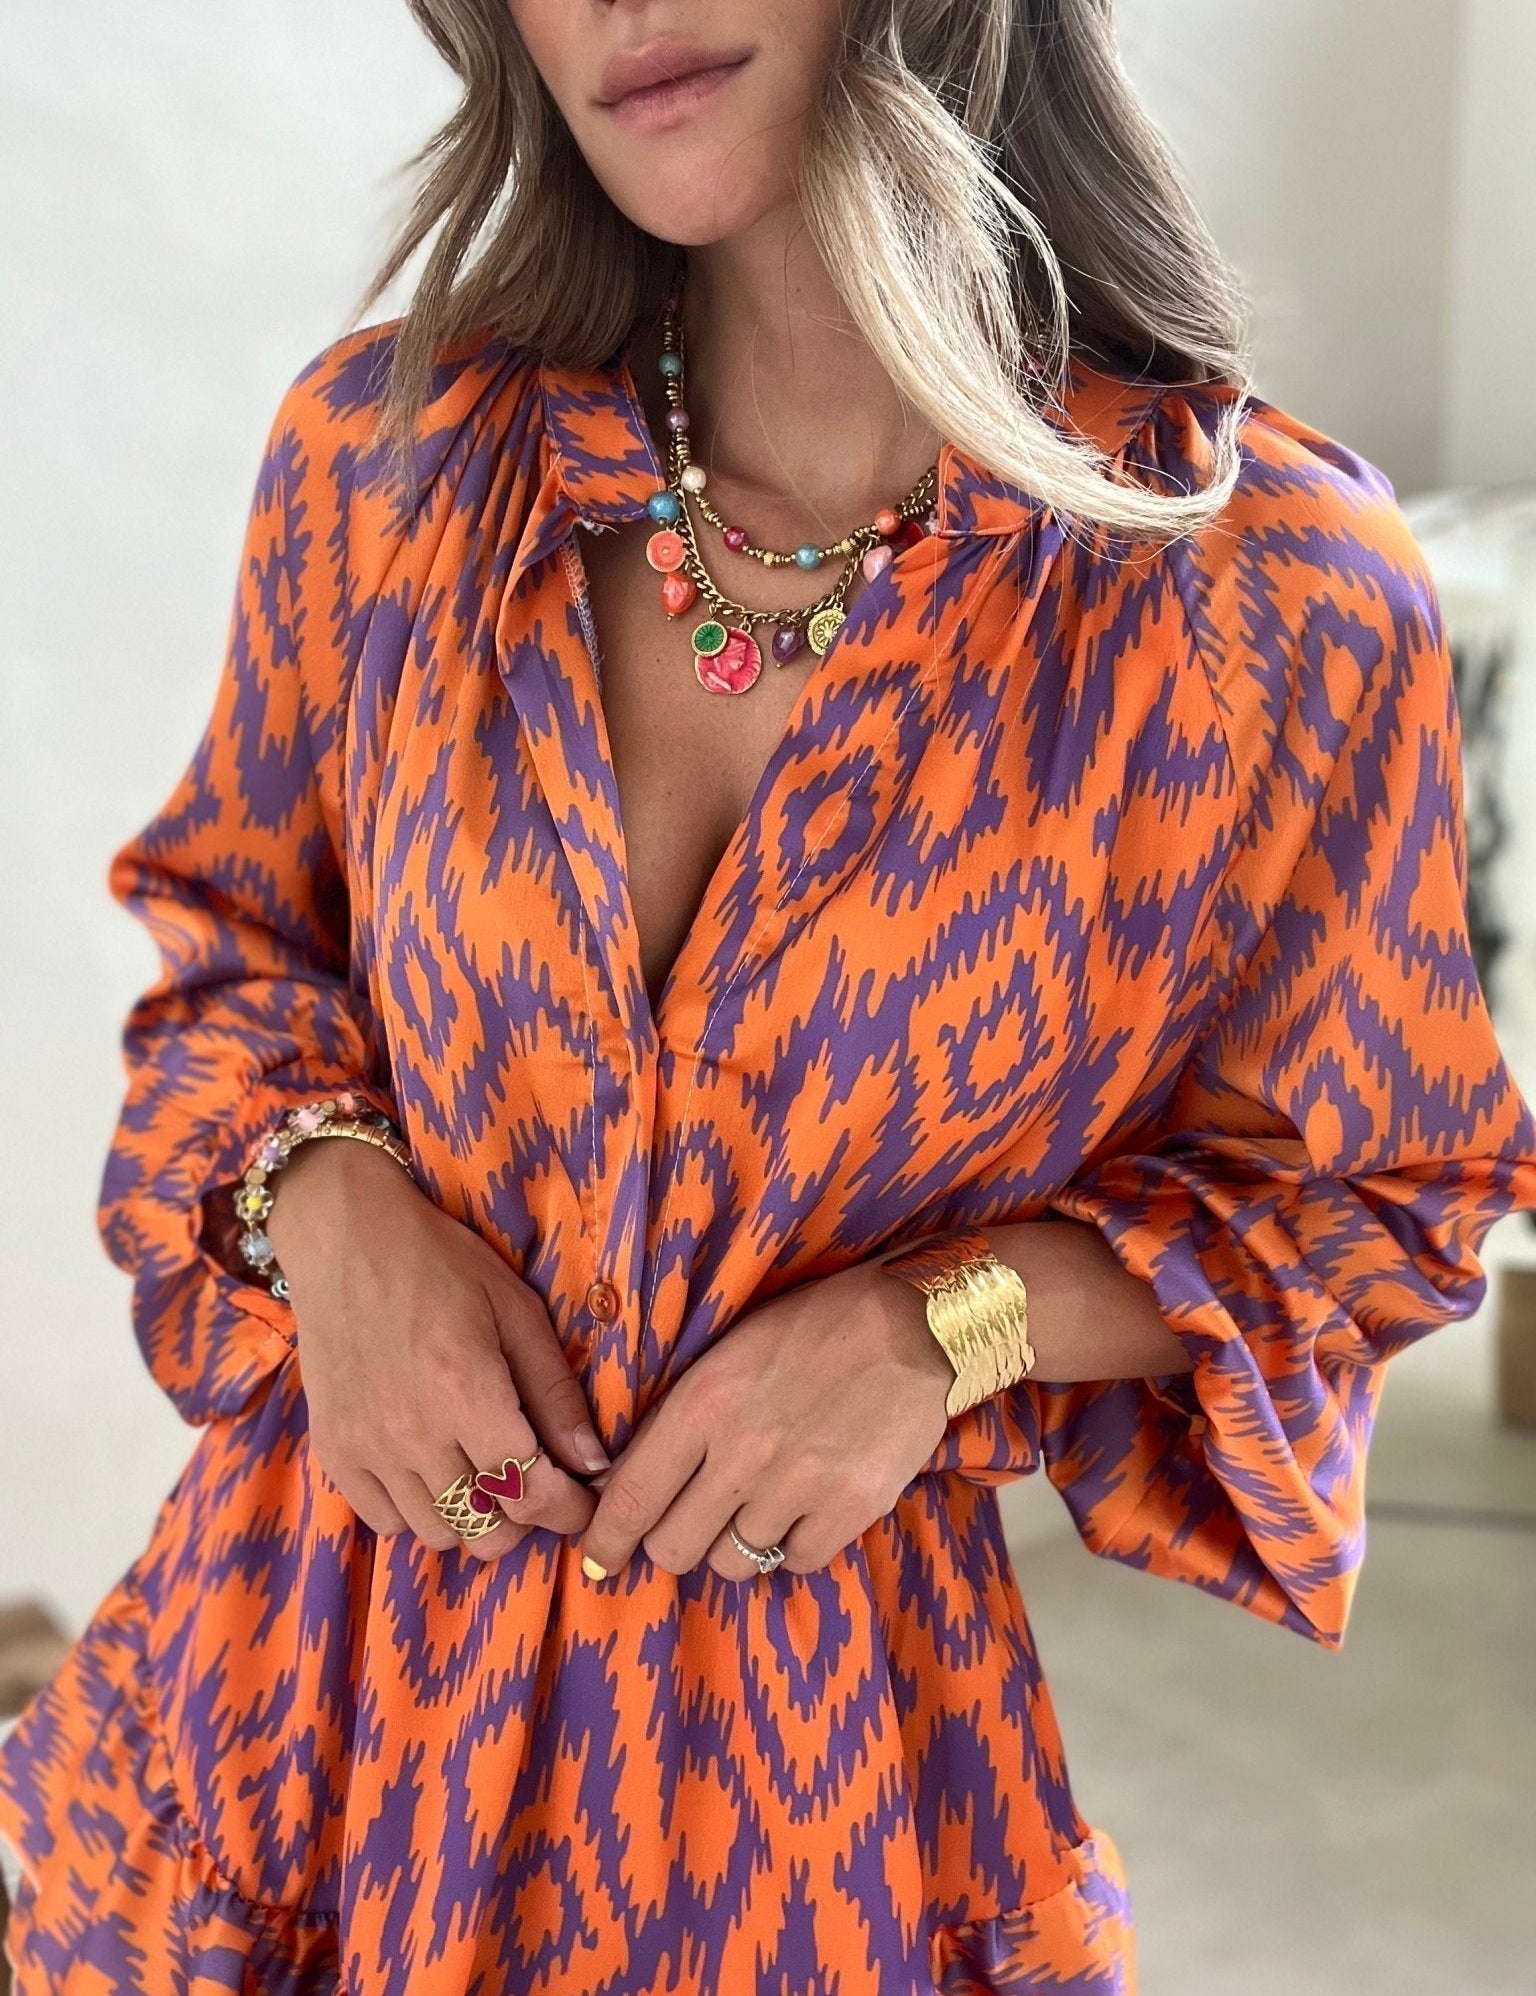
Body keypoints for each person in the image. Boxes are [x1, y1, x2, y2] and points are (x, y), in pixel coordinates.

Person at [4, 4, 1535, 1991]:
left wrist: (943, 1329)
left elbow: (1382, 1201)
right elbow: (229, 959)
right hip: (268, 1752)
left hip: (803, 1829)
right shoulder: (386, 470)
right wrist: (331, 1205)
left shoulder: (1257, 605)